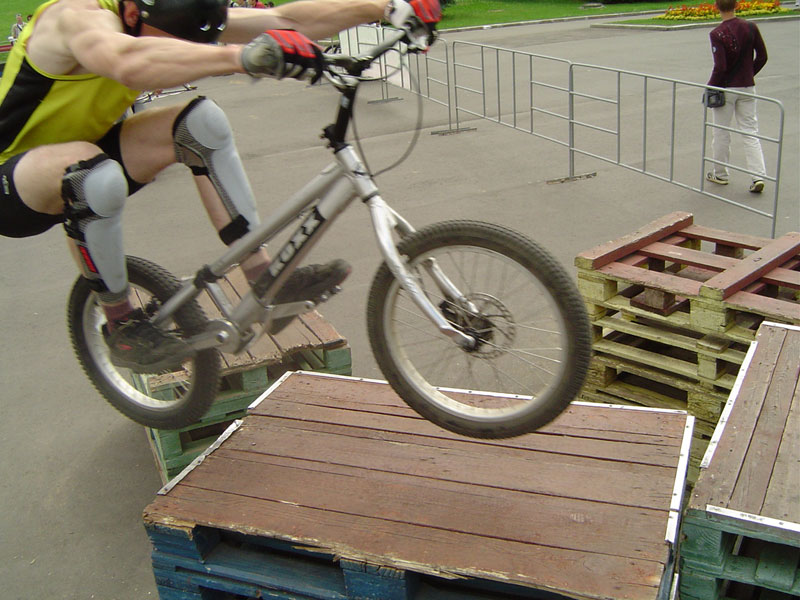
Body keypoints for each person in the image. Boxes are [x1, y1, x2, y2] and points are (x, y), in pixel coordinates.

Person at [0, 0, 441, 372]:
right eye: (172, 41)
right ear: (132, 13)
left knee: (202, 122)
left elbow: (286, 20)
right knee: (93, 175)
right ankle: (122, 326)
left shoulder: (169, 11)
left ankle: (265, 278)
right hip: (14, 179)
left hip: (88, 149)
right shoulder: (74, 17)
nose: (180, 51)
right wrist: (242, 57)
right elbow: (128, 61)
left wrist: (385, 7)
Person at [705, 0, 768, 194]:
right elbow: (762, 56)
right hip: (747, 87)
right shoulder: (750, 27)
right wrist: (749, 74)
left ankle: (720, 174)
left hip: (726, 88)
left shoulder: (717, 33)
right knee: (750, 131)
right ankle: (758, 175)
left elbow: (720, 67)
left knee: (721, 132)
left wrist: (710, 87)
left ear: (716, 7)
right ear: (737, 5)